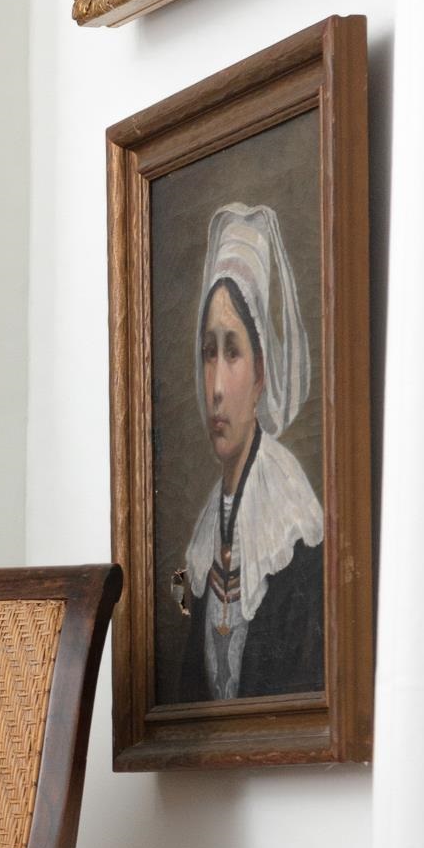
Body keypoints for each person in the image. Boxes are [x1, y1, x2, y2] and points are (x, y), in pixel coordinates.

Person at [174, 202, 324, 702]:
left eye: (232, 352)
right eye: (207, 352)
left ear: (261, 373)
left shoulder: (290, 522)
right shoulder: (204, 534)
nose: (215, 387)